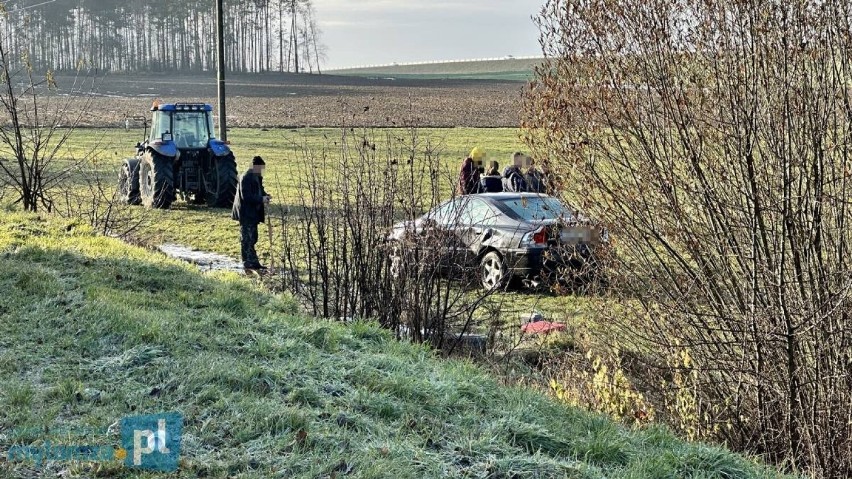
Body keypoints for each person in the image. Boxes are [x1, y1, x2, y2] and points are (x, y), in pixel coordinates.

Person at [232, 156, 272, 270]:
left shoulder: (257, 177)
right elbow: (246, 196)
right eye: (261, 168)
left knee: (253, 238)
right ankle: (247, 262)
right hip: (246, 213)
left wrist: (265, 195)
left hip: (253, 213)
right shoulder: (246, 177)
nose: (262, 171)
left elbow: (260, 190)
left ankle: (253, 262)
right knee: (246, 238)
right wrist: (261, 199)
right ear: (255, 167)